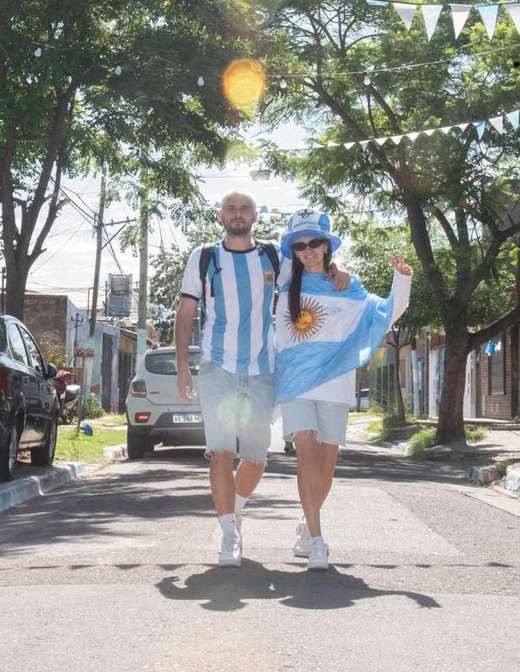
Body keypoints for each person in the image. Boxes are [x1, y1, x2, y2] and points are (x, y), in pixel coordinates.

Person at [174, 191, 347, 567]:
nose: (238, 214)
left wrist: (337, 270)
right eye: (231, 208)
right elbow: (187, 308)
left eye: (245, 209)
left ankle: (234, 510)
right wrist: (183, 365)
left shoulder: (272, 256)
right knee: (220, 453)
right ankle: (229, 537)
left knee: (254, 459)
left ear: (255, 216)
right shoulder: (204, 257)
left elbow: (310, 265)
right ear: (221, 215)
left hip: (262, 370)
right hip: (217, 366)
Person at [273, 209, 412, 571]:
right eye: (300, 245)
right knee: (305, 458)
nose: (308, 250)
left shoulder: (349, 286)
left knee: (325, 468)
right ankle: (318, 541)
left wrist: (402, 281)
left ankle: (307, 523)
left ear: (326, 245)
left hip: (335, 386)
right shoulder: (288, 280)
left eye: (315, 242)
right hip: (297, 385)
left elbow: (387, 312)